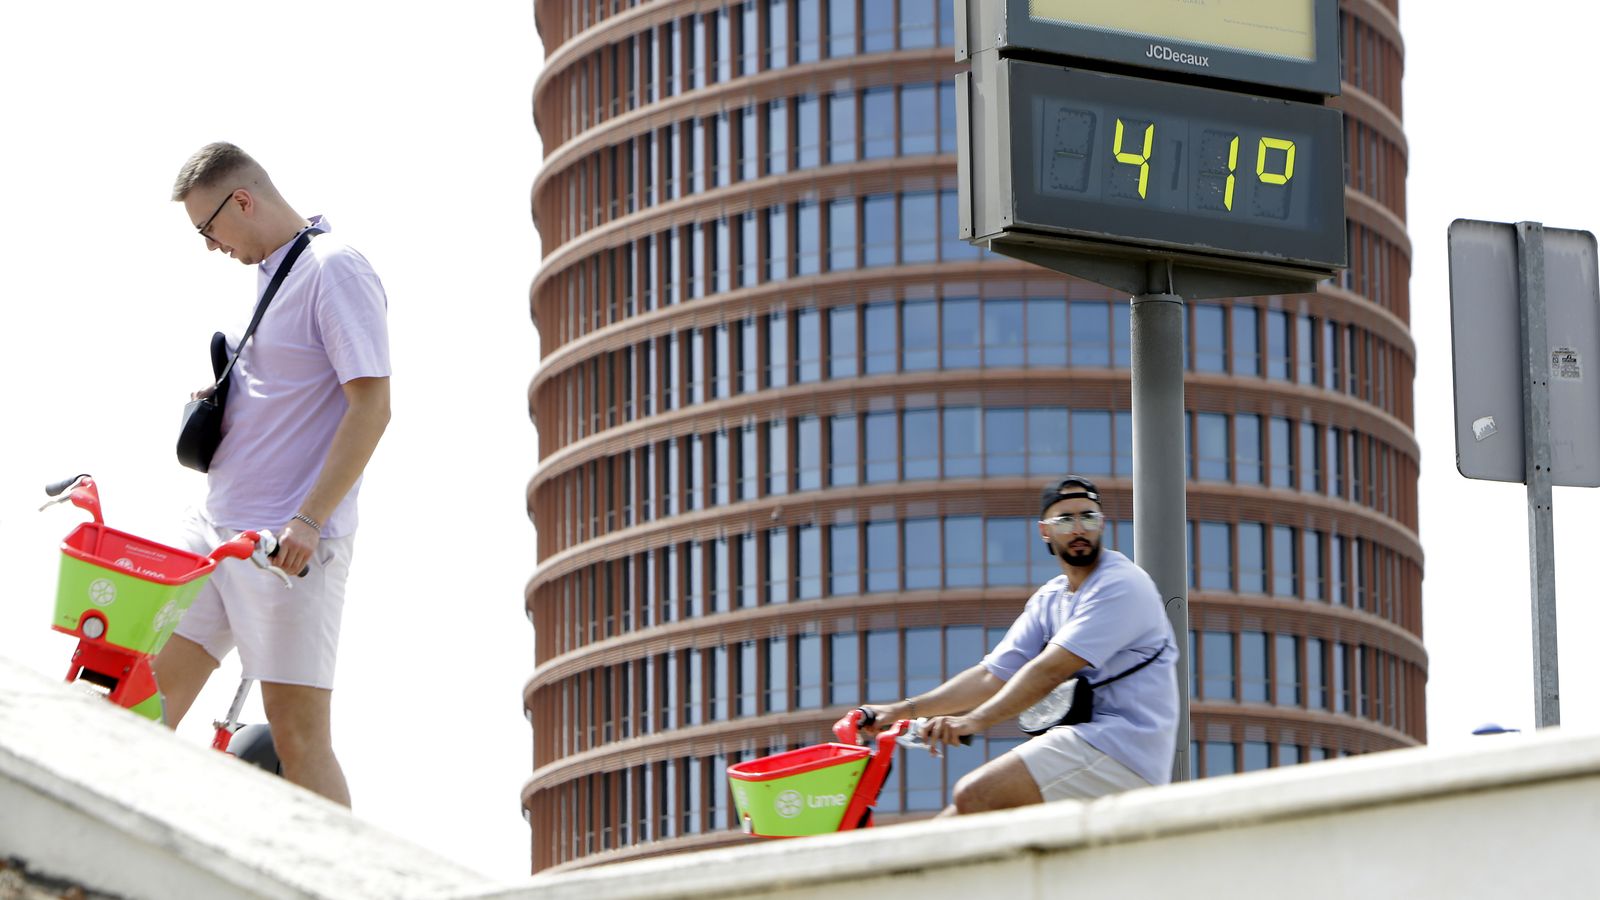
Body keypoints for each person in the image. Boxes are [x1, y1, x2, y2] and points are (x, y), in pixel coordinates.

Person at [154, 142, 391, 806]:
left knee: (299, 739)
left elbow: (372, 406)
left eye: (208, 230)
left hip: (286, 551)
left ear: (243, 201)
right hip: (216, 533)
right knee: (143, 703)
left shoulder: (334, 270)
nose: (210, 247)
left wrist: (309, 521)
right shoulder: (272, 275)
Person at [858, 476, 1177, 815]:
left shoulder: (1120, 584)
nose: (1078, 529)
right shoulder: (1051, 598)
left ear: (1101, 525)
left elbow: (1049, 671)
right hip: (1086, 746)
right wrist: (900, 711)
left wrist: (971, 722)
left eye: (1088, 517)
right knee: (953, 821)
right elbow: (991, 676)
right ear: (1045, 531)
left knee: (976, 794)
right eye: (1065, 520)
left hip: (1123, 749)